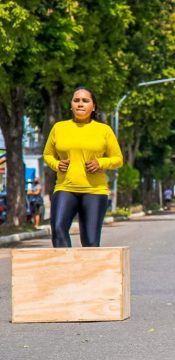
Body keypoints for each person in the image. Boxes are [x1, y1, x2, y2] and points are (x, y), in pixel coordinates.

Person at [43, 87, 123, 247]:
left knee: (91, 242)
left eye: (85, 101)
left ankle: (89, 271)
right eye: (76, 100)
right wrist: (57, 164)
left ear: (93, 107)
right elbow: (47, 155)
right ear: (71, 105)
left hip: (94, 191)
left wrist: (101, 163)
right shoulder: (59, 128)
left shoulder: (104, 130)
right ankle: (67, 269)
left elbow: (118, 159)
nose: (80, 104)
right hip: (65, 188)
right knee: (58, 230)